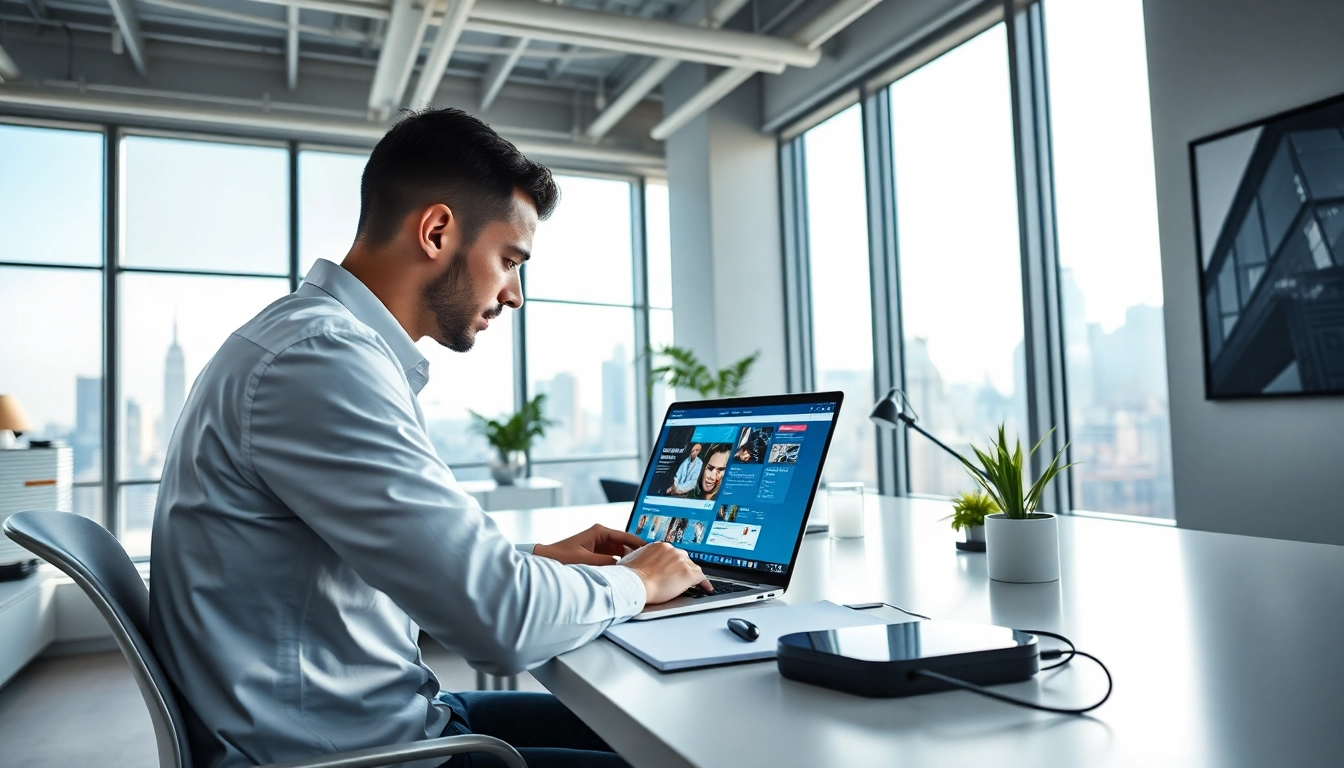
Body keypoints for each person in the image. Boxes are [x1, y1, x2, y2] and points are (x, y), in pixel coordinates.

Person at [147, 109, 710, 768]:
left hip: (384, 718)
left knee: (666, 731)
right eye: (509, 260)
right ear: (438, 231)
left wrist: (533, 559)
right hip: (356, 756)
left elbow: (395, 551)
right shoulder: (318, 362)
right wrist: (638, 582)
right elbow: (503, 626)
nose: (515, 294)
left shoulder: (309, 343)